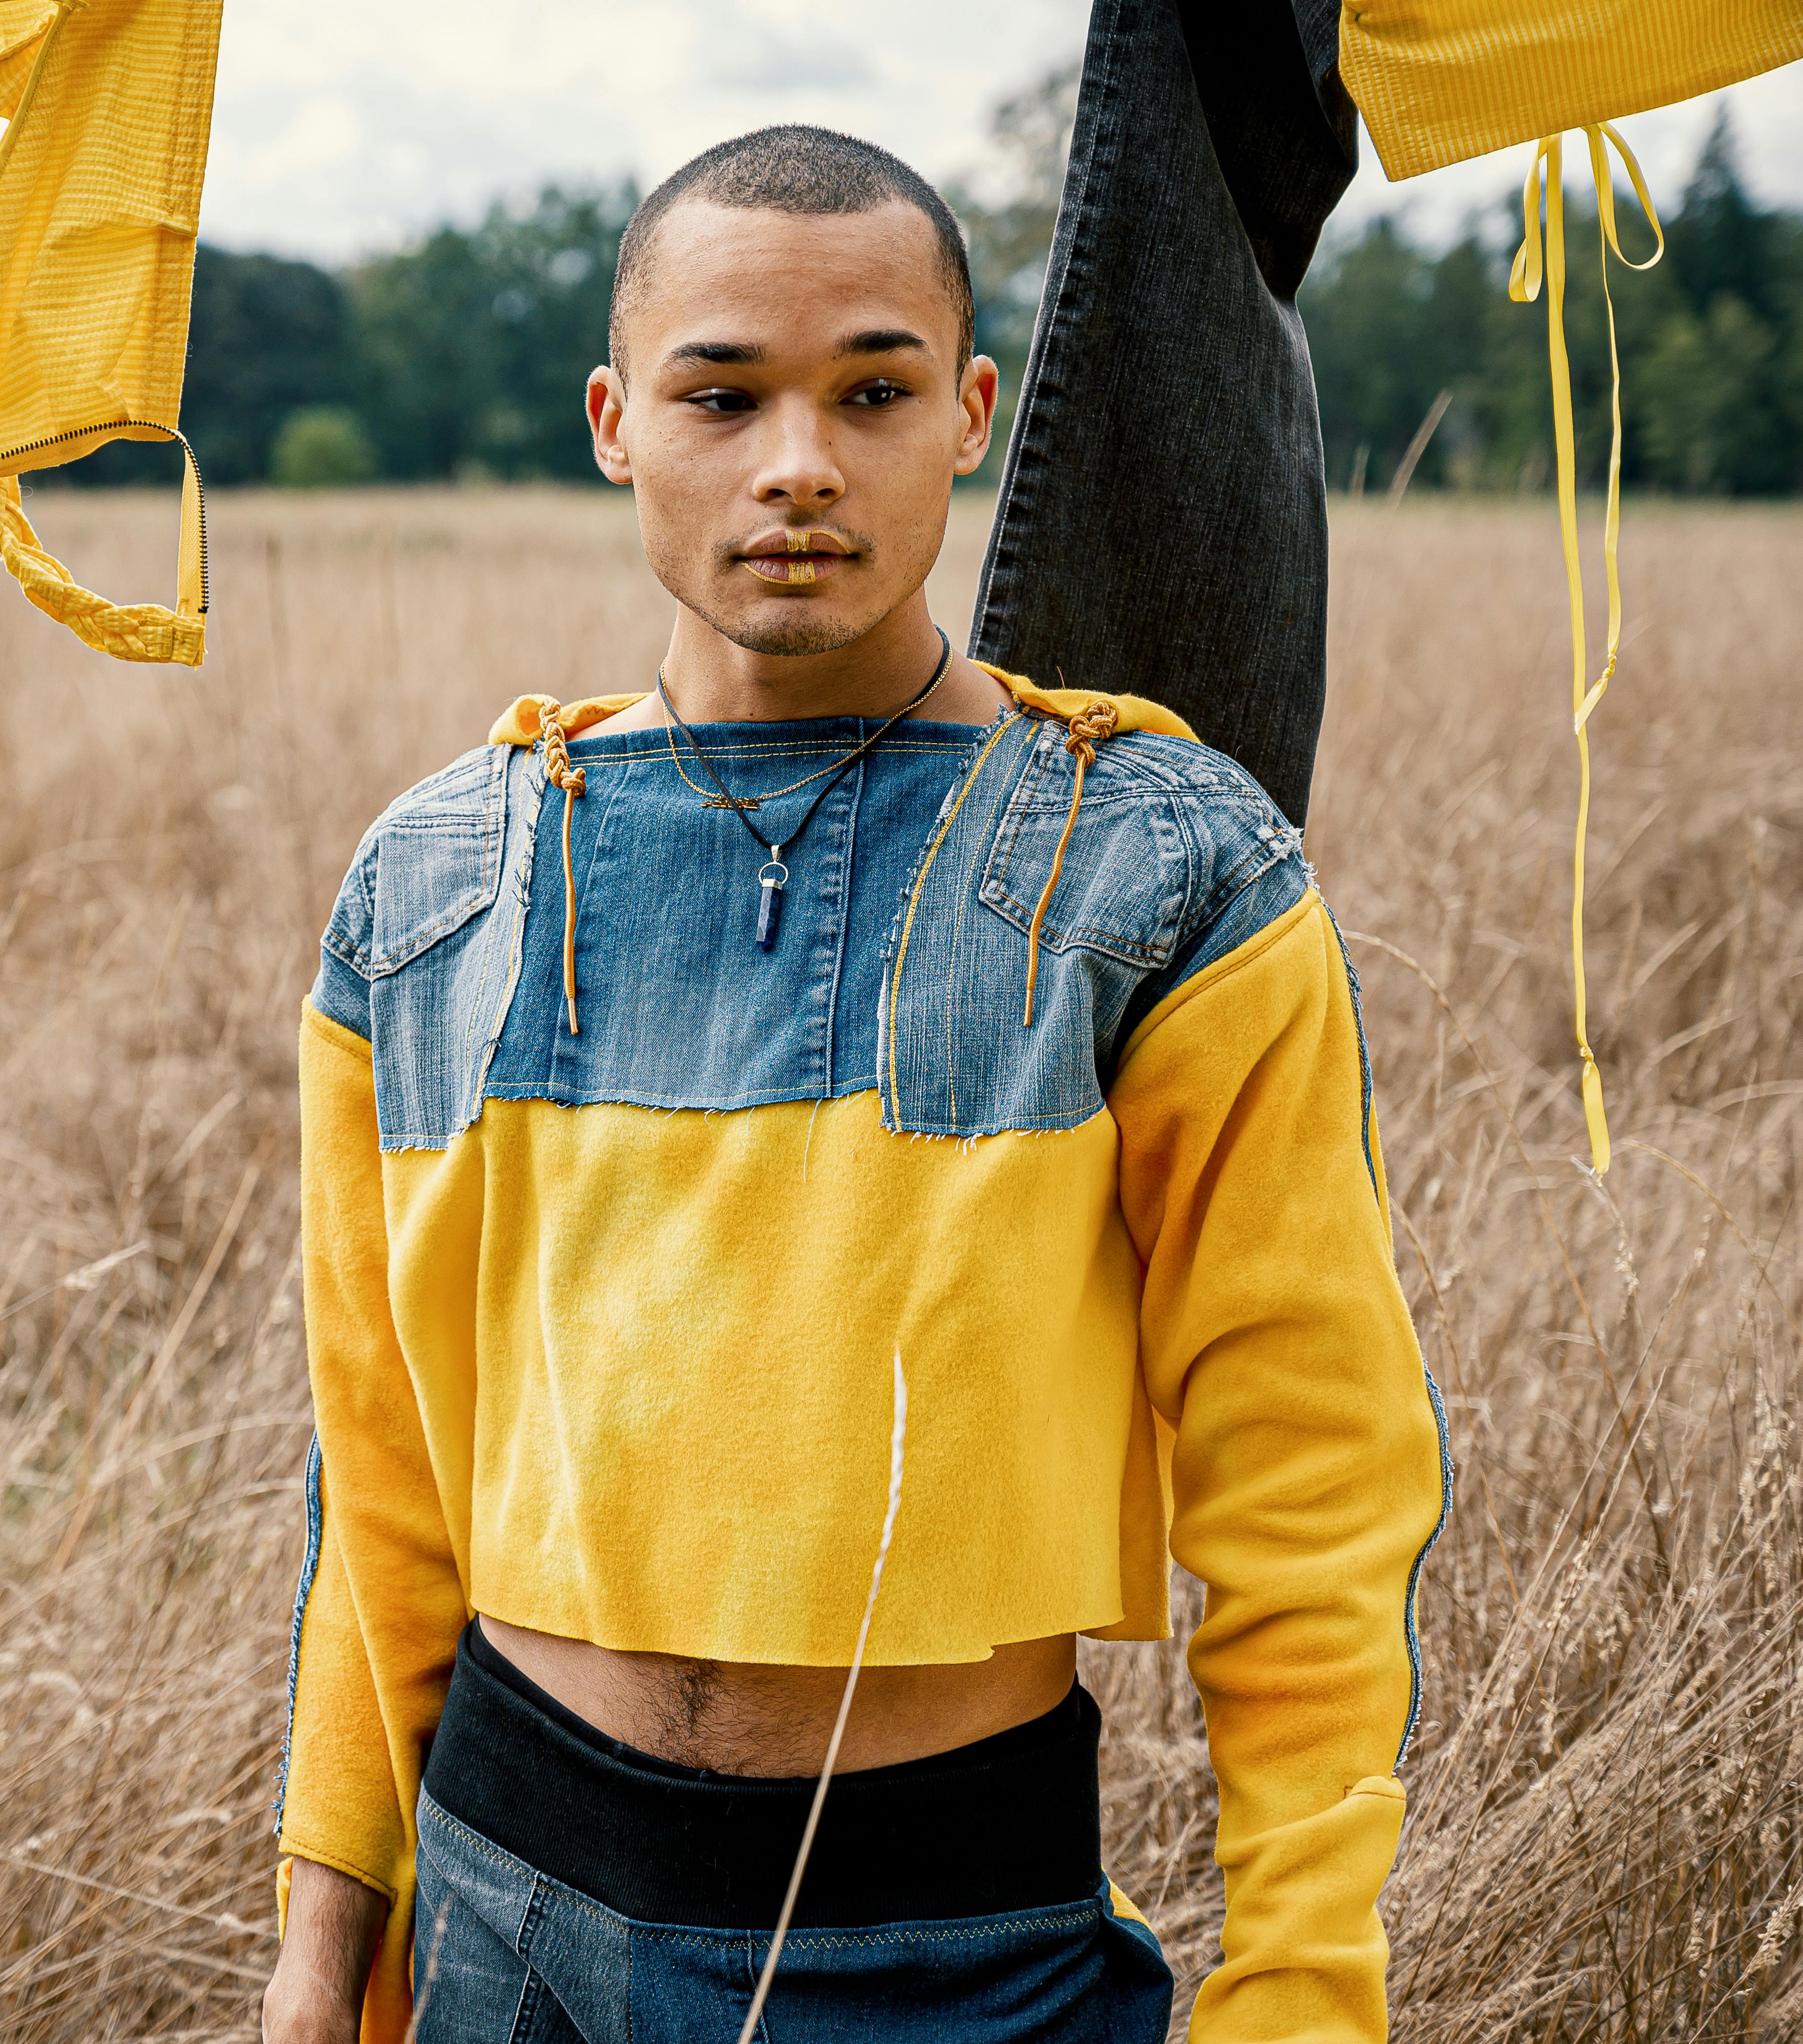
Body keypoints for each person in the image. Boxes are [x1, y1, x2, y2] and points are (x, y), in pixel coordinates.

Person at [264, 125, 1449, 2044]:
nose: (798, 461)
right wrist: (328, 1956)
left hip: (950, 1948)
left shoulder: (1156, 872)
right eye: (721, 395)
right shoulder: (437, 885)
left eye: (873, 391)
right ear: (614, 422)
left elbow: (1311, 1488)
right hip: (507, 1915)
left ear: (971, 412)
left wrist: (1303, 1992)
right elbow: (379, 1482)